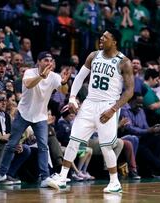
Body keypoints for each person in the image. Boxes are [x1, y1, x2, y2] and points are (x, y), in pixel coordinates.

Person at [48, 29, 134, 193]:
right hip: (89, 103)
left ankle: (114, 182)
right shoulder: (93, 55)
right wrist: (72, 97)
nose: (101, 38)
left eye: (105, 37)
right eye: (101, 36)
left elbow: (129, 91)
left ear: (114, 41)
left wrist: (113, 109)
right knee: (74, 140)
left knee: (106, 146)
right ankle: (63, 177)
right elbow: (79, 78)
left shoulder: (124, 62)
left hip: (108, 105)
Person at [0, 51, 70, 187]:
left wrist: (65, 82)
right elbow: (29, 84)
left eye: (50, 61)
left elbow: (64, 91)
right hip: (23, 114)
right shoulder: (30, 72)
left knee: (43, 146)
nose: (48, 63)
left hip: (40, 116)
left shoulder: (54, 76)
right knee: (12, 144)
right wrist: (41, 77)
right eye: (46, 60)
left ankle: (45, 178)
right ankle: (1, 173)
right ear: (38, 62)